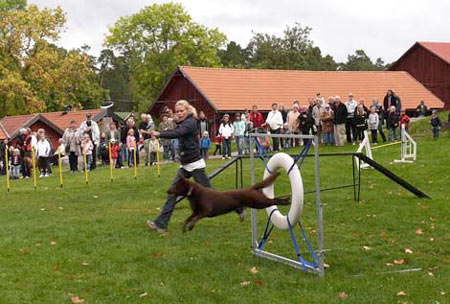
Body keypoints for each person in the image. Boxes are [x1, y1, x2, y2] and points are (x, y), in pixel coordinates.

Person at [146, 100, 244, 232]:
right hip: (185, 165)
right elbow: (177, 128)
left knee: (212, 194)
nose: (179, 113)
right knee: (173, 192)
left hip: (195, 165)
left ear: (187, 110)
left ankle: (237, 207)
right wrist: (173, 119)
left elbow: (178, 133)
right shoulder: (183, 122)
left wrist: (159, 134)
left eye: (182, 111)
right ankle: (161, 224)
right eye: (177, 111)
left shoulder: (191, 122)